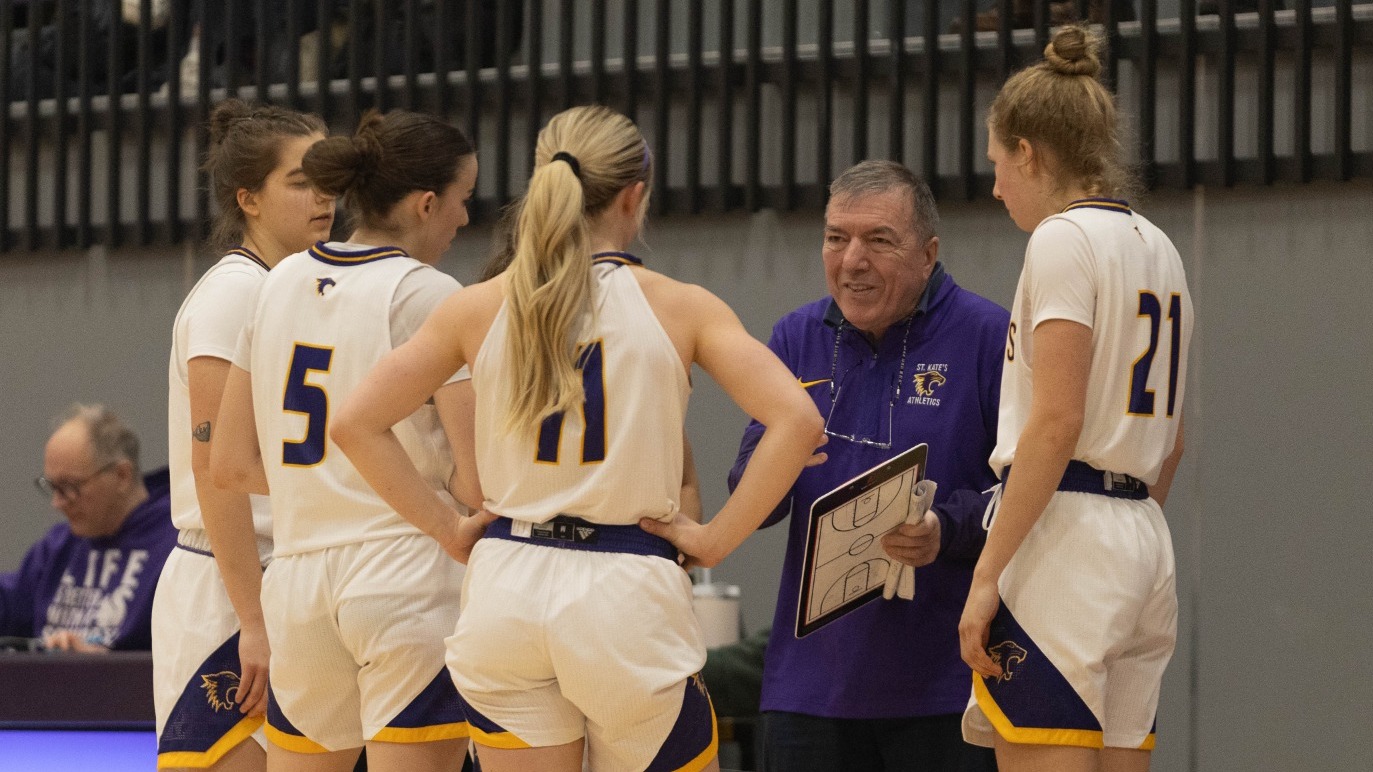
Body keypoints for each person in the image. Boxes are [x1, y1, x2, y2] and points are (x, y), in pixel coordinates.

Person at [330, 104, 823, 772]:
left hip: (507, 585)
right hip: (624, 592)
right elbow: (797, 420)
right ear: (634, 195)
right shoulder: (678, 306)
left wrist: (448, 529)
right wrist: (712, 540)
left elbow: (354, 423)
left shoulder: (476, 305)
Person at [210, 109, 478, 771]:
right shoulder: (429, 293)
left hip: (298, 583)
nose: (465, 219)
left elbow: (230, 463)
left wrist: (325, 483)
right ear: (425, 203)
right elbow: (477, 481)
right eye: (463, 200)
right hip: (406, 572)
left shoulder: (276, 285)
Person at [958, 26, 1192, 772]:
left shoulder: (1061, 241)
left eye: (998, 165)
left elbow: (1054, 421)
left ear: (1028, 151)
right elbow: (1174, 437)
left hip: (1066, 534)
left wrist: (987, 572)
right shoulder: (1159, 246)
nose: (995, 187)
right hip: (1142, 537)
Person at [727, 160, 1007, 772]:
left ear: (928, 253)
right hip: (808, 691)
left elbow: (1027, 495)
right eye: (836, 237)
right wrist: (776, 464)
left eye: (879, 240)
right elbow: (752, 494)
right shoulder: (796, 336)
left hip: (946, 687)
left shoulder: (990, 337)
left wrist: (945, 528)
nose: (852, 260)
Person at [153, 99, 332, 771]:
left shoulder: (298, 289)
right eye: (301, 180)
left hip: (290, 580)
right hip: (228, 589)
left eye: (328, 179)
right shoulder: (233, 294)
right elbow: (213, 468)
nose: (324, 196)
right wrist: (252, 621)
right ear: (247, 198)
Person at [1, 404, 174, 652]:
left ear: (122, 476)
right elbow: (12, 601)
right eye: (52, 487)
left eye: (69, 487)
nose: (57, 503)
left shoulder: (174, 546)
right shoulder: (60, 545)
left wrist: (101, 665)